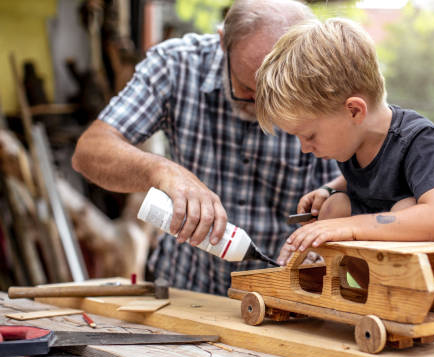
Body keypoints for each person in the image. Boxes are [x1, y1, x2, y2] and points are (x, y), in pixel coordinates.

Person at [71, 0, 341, 295]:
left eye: (280, 94)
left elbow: (353, 188)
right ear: (224, 41)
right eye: (250, 91)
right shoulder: (177, 64)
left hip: (284, 300)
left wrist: (327, 236)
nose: (267, 110)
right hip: (185, 290)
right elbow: (89, 152)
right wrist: (163, 171)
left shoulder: (322, 78)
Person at [255, 18, 434, 292]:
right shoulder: (353, 141)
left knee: (403, 208)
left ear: (354, 111)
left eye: (309, 136)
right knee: (334, 210)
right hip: (416, 234)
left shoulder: (420, 139)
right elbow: (376, 173)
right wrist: (327, 191)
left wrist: (351, 227)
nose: (305, 147)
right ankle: (382, 296)